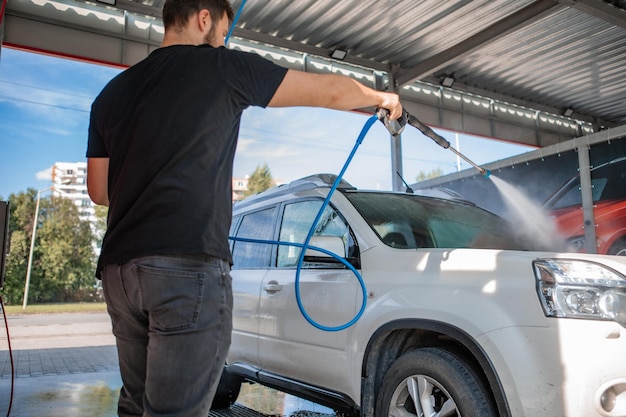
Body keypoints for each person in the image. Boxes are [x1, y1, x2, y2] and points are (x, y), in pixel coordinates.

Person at [86, 0, 402, 415]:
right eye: (221, 29)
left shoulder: (110, 95)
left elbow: (98, 190)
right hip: (185, 268)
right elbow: (326, 89)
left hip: (119, 272)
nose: (223, 39)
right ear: (203, 18)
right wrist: (382, 96)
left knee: (136, 401)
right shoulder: (221, 67)